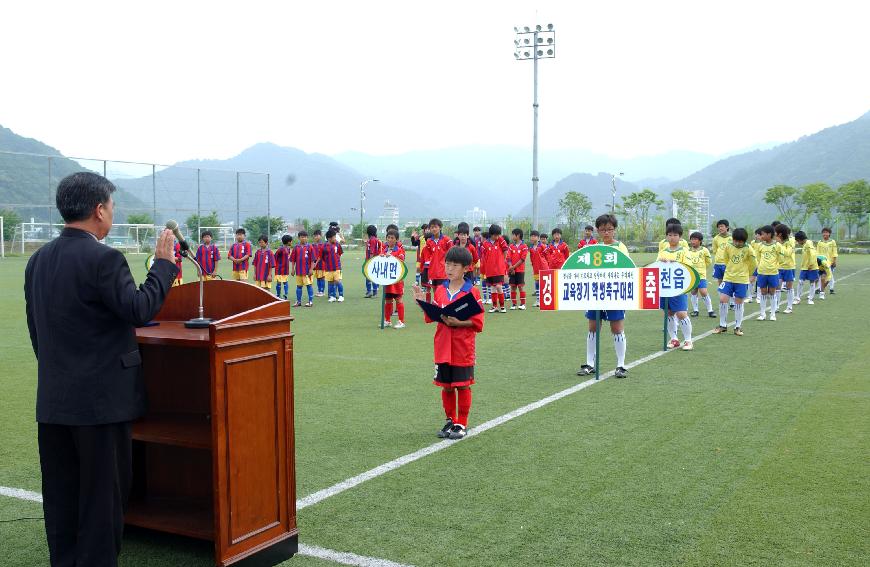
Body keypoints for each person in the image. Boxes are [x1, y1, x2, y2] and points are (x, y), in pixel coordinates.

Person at [24, 172, 178, 567]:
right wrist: (163, 266)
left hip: (55, 400)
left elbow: (37, 331)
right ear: (99, 210)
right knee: (101, 501)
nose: (112, 213)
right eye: (111, 206)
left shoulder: (38, 259)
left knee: (63, 496)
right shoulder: (104, 258)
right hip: (100, 405)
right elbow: (139, 309)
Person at [412, 246, 484, 440]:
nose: (449, 268)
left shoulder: (473, 292)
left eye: (454, 265)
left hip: (462, 348)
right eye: (447, 264)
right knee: (447, 386)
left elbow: (478, 323)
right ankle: (450, 420)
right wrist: (421, 303)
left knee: (462, 385)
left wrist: (459, 323)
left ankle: (462, 423)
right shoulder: (440, 290)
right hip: (442, 347)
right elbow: (432, 317)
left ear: (466, 268)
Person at [578, 214, 631, 378]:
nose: (606, 232)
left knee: (616, 328)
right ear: (598, 231)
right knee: (593, 326)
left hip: (615, 294)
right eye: (603, 229)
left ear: (614, 230)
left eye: (609, 229)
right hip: (595, 293)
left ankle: (621, 365)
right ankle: (589, 364)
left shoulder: (620, 247)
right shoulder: (595, 248)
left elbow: (627, 269)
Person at [712, 228, 757, 336]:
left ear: (744, 240)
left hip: (741, 279)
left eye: (740, 241)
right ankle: (722, 325)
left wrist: (750, 275)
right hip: (728, 278)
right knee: (723, 299)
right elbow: (726, 259)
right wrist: (730, 269)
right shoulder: (729, 246)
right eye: (735, 240)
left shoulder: (748, 249)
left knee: (738, 302)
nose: (737, 243)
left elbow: (753, 264)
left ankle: (737, 327)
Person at [658, 224, 694, 350]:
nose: (672, 237)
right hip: (666, 285)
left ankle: (688, 340)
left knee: (681, 313)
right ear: (666, 236)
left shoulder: (684, 251)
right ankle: (674, 339)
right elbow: (657, 267)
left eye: (675, 235)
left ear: (680, 237)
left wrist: (677, 264)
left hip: (679, 286)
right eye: (669, 235)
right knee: (668, 312)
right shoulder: (663, 251)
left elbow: (689, 267)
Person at [754, 225, 783, 321]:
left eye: (762, 234)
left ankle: (773, 314)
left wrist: (775, 266)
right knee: (763, 292)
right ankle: (762, 314)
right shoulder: (760, 246)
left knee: (772, 292)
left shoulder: (777, 245)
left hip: (773, 273)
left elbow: (781, 258)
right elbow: (757, 258)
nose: (761, 236)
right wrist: (759, 266)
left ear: (769, 234)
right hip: (762, 272)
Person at [685, 231, 715, 317]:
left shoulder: (704, 250)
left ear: (700, 241)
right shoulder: (688, 251)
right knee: (693, 292)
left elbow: (708, 262)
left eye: (695, 239)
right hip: (692, 275)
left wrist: (702, 269)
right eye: (692, 239)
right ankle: (695, 310)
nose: (693, 241)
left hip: (701, 275)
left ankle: (710, 310)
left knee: (703, 291)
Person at [480, 224, 509, 313]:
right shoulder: (485, 244)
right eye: (495, 235)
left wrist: (502, 261)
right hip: (489, 270)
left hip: (499, 269)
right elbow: (483, 256)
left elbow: (505, 251)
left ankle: (502, 306)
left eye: (498, 235)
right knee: (492, 287)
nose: (497, 236)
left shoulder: (500, 241)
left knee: (499, 286)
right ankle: (494, 306)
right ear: (491, 234)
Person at [382, 229, 407, 328]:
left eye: (392, 238)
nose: (390, 239)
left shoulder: (400, 250)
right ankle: (387, 320)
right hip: (387, 280)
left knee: (399, 299)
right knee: (388, 300)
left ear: (397, 240)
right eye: (388, 237)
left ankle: (401, 321)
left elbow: (401, 261)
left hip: (397, 280)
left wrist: (391, 257)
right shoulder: (384, 250)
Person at [424, 218, 453, 292]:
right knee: (435, 292)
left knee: (443, 292)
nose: (434, 229)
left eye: (436, 227)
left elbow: (452, 254)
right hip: (433, 272)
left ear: (440, 227)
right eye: (432, 227)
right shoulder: (429, 242)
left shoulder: (447, 240)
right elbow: (427, 257)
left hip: (444, 272)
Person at [774, 224, 797, 314]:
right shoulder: (776, 241)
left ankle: (789, 307)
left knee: (789, 287)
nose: (774, 234)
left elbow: (787, 253)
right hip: (778, 267)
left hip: (789, 267)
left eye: (776, 232)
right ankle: (776, 306)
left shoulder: (791, 241)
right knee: (777, 287)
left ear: (780, 234)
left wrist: (779, 244)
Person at [290, 230, 315, 307]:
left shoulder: (310, 247)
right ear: (299, 238)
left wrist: (311, 269)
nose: (303, 238)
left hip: (307, 271)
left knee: (309, 285)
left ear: (307, 238)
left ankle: (310, 301)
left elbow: (312, 260)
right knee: (299, 286)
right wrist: (293, 269)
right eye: (302, 237)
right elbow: (293, 260)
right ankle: (298, 301)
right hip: (298, 271)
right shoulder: (296, 247)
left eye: (305, 237)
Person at [794, 231, 819, 305]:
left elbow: (813, 254)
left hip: (811, 267)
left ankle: (810, 299)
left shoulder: (808, 243)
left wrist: (811, 264)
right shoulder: (805, 244)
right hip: (804, 267)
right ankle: (797, 298)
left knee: (812, 282)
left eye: (798, 241)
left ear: (800, 239)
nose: (798, 242)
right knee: (800, 282)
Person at [712, 219, 732, 305]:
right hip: (718, 264)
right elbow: (715, 251)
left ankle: (732, 302)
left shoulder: (731, 238)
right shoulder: (716, 238)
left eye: (722, 226)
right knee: (720, 283)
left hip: (728, 264)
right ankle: (722, 300)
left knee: (729, 282)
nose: (720, 228)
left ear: (727, 227)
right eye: (719, 227)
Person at [321, 228, 345, 302]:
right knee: (330, 282)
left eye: (335, 237)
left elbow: (340, 253)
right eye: (334, 237)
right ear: (329, 238)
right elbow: (322, 257)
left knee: (337, 281)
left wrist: (337, 261)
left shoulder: (337, 245)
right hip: (328, 268)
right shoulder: (324, 246)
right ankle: (333, 296)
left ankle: (341, 296)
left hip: (337, 267)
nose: (335, 238)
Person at [507, 228, 528, 310]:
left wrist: (512, 267)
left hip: (520, 270)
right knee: (512, 287)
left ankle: (523, 304)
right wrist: (511, 268)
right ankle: (514, 304)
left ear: (518, 235)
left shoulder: (524, 246)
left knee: (520, 287)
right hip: (512, 271)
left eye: (513, 235)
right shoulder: (511, 246)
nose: (512, 236)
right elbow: (508, 258)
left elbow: (522, 259)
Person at [816, 227, 838, 294]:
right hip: (821, 262)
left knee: (829, 275)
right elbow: (817, 252)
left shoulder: (832, 242)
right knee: (820, 276)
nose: (825, 234)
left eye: (826, 232)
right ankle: (820, 289)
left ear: (829, 234)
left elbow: (834, 252)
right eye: (824, 232)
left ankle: (831, 288)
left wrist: (834, 261)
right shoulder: (820, 242)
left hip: (829, 262)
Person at [528, 230, 546, 306]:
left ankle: (545, 300)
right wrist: (533, 265)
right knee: (537, 283)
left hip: (544, 267)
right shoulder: (531, 248)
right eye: (531, 236)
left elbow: (547, 256)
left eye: (534, 236)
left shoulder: (542, 246)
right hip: (536, 268)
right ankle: (538, 300)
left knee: (544, 284)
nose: (532, 238)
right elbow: (531, 258)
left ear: (538, 238)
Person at [364, 225, 383, 298]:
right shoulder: (372, 239)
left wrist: (370, 261)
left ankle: (374, 292)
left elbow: (372, 251)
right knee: (368, 276)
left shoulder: (373, 240)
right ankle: (369, 292)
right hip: (369, 259)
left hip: (371, 260)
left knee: (371, 276)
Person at [747, 228, 763, 303]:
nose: (756, 236)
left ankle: (759, 297)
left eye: (758, 235)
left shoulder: (763, 244)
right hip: (753, 264)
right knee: (751, 280)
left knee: (759, 281)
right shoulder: (753, 242)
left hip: (761, 264)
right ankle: (749, 297)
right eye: (756, 234)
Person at [274, 235, 292, 299]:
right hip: (279, 269)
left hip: (286, 269)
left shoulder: (288, 249)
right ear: (288, 242)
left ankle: (285, 294)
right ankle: (278, 295)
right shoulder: (280, 249)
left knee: (285, 281)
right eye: (291, 241)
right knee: (279, 282)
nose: (291, 242)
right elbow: (275, 257)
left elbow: (288, 257)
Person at [311, 229, 326, 297]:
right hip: (315, 265)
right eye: (315, 236)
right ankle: (319, 290)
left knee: (322, 278)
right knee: (318, 278)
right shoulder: (312, 245)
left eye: (318, 235)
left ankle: (322, 291)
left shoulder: (323, 245)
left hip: (322, 264)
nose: (316, 237)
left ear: (321, 236)